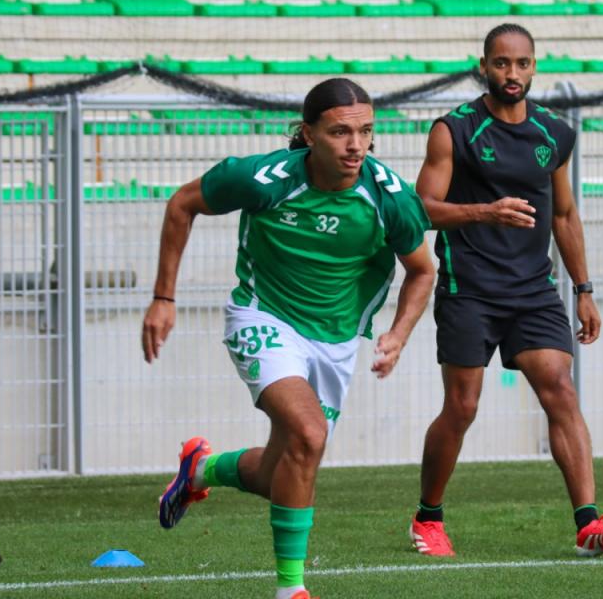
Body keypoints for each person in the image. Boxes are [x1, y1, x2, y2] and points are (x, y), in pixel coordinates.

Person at [142, 78, 435, 599]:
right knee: (308, 433)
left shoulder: (389, 197)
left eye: (366, 131)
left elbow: (422, 270)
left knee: (281, 470)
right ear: (308, 133)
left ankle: (200, 469)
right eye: (340, 132)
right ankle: (291, 589)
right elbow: (182, 203)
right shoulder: (263, 178)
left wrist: (398, 332)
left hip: (336, 343)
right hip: (263, 318)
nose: (356, 145)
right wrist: (164, 298)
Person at [409, 24, 603, 558]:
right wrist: (485, 211)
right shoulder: (454, 130)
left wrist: (583, 288)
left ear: (535, 67)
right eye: (502, 64)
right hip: (470, 288)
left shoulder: (554, 133)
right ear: (483, 66)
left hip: (533, 291)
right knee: (462, 407)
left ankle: (587, 525)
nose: (513, 74)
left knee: (560, 387)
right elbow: (420, 207)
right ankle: (428, 518)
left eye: (523, 64)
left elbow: (563, 214)